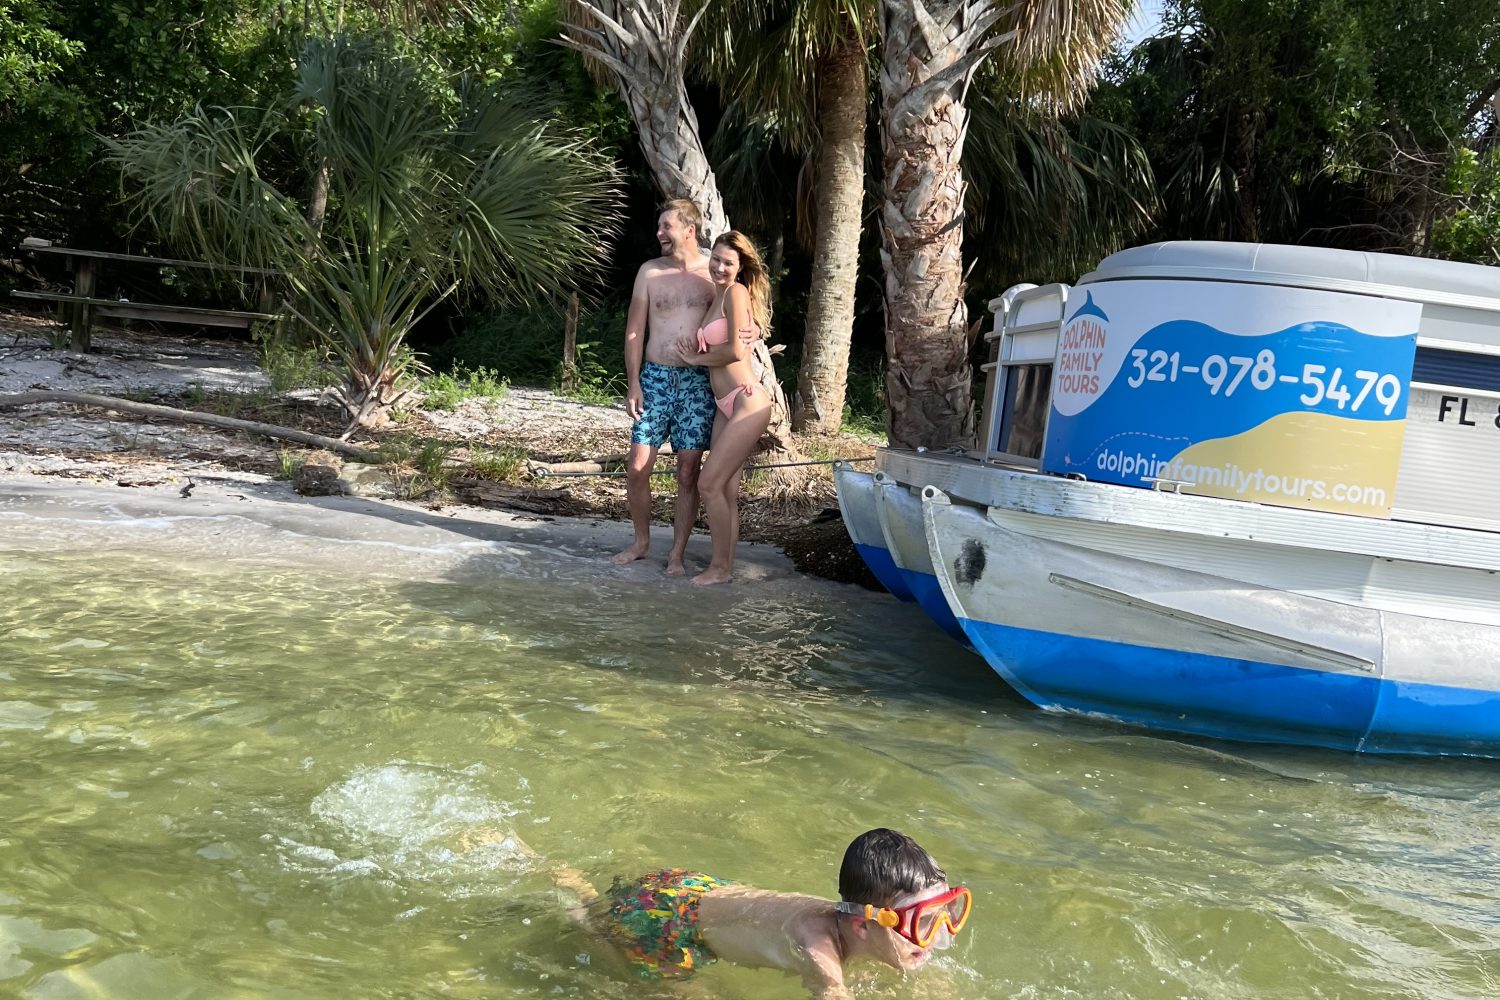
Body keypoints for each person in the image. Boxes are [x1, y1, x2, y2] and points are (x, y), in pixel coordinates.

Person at [543, 827, 970, 998]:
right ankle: (554, 880)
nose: (938, 936)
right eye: (924, 924)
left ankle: (567, 881)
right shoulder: (817, 943)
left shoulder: (854, 923)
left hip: (696, 889)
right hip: (666, 924)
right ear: (861, 924)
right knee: (595, 925)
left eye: (946, 914)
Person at [612, 199, 718, 576]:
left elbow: (739, 313)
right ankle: (641, 542)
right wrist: (634, 382)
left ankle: (677, 554)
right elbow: (635, 331)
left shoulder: (714, 271)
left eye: (666, 227)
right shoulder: (649, 272)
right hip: (655, 379)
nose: (659, 234)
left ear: (689, 229)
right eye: (659, 227)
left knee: (689, 472)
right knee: (637, 466)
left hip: (697, 383)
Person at [679, 231, 774, 586]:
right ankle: (726, 567)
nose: (719, 267)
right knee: (726, 491)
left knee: (708, 484)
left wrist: (694, 357)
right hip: (725, 404)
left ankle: (719, 568)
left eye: (728, 262)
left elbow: (735, 351)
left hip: (747, 400)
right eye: (716, 259)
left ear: (740, 267)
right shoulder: (717, 295)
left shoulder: (735, 293)